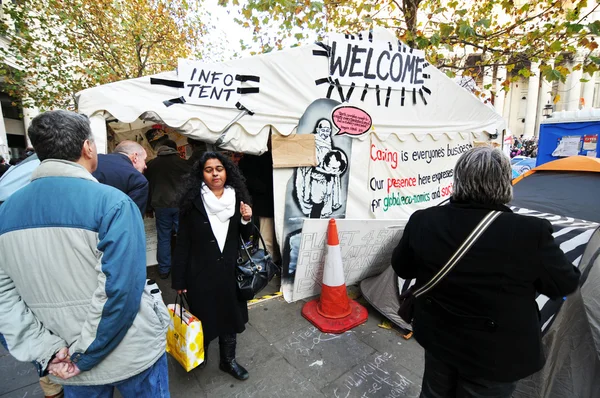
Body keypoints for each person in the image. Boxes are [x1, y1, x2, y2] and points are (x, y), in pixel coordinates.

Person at [0, 110, 170, 397]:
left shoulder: (6, 211)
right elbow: (120, 290)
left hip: (64, 358)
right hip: (127, 353)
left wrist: (47, 351)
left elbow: (4, 296)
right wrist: (83, 355)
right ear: (87, 147)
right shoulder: (113, 203)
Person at [392, 146, 581, 398]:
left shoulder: (424, 220)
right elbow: (563, 285)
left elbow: (402, 267)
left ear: (458, 179)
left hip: (438, 336)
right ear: (505, 182)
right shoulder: (529, 233)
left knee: (433, 393)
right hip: (494, 355)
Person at [172, 151, 253, 381]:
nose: (215, 173)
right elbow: (183, 243)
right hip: (200, 272)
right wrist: (178, 280)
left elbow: (246, 238)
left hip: (229, 271)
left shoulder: (237, 198)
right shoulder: (193, 202)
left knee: (230, 318)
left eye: (219, 168)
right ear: (202, 173)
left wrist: (247, 218)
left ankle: (228, 361)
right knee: (203, 317)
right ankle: (200, 354)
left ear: (227, 171)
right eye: (209, 170)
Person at [145, 139, 190, 279]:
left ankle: (164, 270)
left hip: (160, 205)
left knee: (163, 237)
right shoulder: (183, 163)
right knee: (183, 236)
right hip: (180, 204)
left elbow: (146, 186)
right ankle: (186, 267)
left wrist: (148, 207)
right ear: (175, 149)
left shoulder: (151, 165)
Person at [238, 150, 280, 263]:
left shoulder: (246, 161)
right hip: (269, 202)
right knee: (268, 237)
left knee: (265, 237)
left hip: (260, 204)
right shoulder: (269, 157)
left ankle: (266, 265)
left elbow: (246, 182)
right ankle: (269, 263)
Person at [92, 140, 149, 214]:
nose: (145, 166)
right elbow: (133, 218)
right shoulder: (138, 180)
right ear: (135, 157)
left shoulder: (93, 161)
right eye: (144, 160)